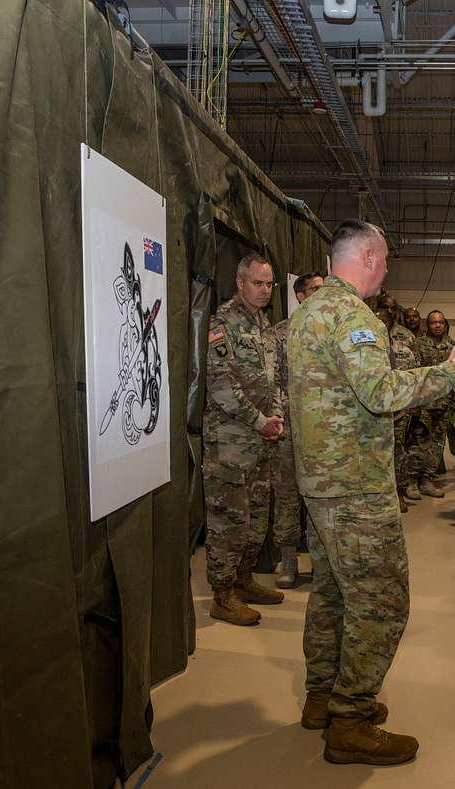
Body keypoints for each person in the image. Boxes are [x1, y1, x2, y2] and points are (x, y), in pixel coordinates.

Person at [287, 219, 455, 765]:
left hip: (320, 482)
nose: (386, 271)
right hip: (354, 487)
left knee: (333, 594)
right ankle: (350, 720)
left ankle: (322, 697)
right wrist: (453, 370)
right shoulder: (352, 317)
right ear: (366, 257)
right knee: (382, 602)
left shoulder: (307, 312)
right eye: (383, 261)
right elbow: (381, 393)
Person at [203, 253, 286, 626]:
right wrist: (259, 421)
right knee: (229, 521)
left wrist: (277, 416)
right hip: (231, 442)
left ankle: (243, 580)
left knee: (255, 519)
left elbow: (275, 379)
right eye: (258, 283)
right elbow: (221, 384)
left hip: (260, 441)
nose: (265, 290)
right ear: (240, 282)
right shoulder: (223, 324)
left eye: (269, 284)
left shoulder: (264, 325)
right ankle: (222, 595)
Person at [269, 271, 325, 587]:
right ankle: (288, 564)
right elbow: (271, 381)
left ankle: (321, 565)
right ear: (300, 295)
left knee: (319, 499)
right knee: (288, 498)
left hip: (323, 434)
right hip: (289, 431)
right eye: (316, 289)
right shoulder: (281, 334)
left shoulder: (332, 332)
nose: (322, 294)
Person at [374, 302, 423, 513]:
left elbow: (416, 376)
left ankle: (400, 492)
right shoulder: (367, 348)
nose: (379, 324)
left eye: (383, 321)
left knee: (398, 451)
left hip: (399, 411)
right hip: (374, 411)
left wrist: (414, 405)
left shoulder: (403, 348)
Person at [413, 310, 455, 497]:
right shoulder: (418, 345)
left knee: (437, 444)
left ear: (445, 324)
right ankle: (412, 481)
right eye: (433, 323)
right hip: (423, 404)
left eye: (440, 322)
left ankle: (427, 480)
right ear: (427, 325)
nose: (437, 326)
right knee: (417, 443)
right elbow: (412, 374)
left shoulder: (453, 346)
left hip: (444, 404)